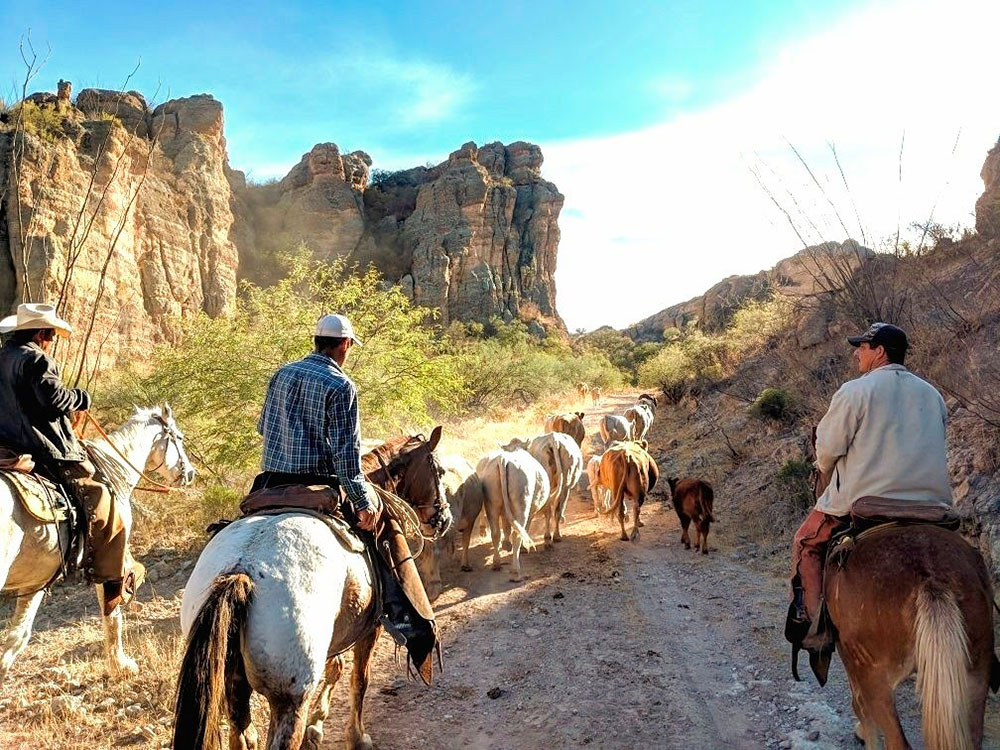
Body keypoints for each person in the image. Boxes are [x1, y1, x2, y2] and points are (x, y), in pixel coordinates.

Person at [256, 313, 433, 647]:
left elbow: (264, 430)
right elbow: (347, 461)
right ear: (345, 345)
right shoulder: (341, 386)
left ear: (316, 341)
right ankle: (400, 615)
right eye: (349, 346)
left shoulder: (280, 374)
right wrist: (364, 504)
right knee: (382, 529)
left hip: (269, 483)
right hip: (319, 486)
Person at [789, 322, 952, 642]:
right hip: (934, 505)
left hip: (868, 501)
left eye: (862, 347)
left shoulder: (855, 391)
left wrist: (824, 464)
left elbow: (826, 451)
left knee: (805, 543)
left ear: (879, 352)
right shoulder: (932, 394)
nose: (856, 353)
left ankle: (814, 626)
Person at [0, 303, 142, 614]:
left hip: (5, 447)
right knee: (101, 498)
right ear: (40, 333)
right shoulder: (36, 358)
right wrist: (82, 397)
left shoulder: (3, 357)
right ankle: (110, 579)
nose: (51, 341)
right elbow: (55, 400)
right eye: (50, 336)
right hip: (44, 448)